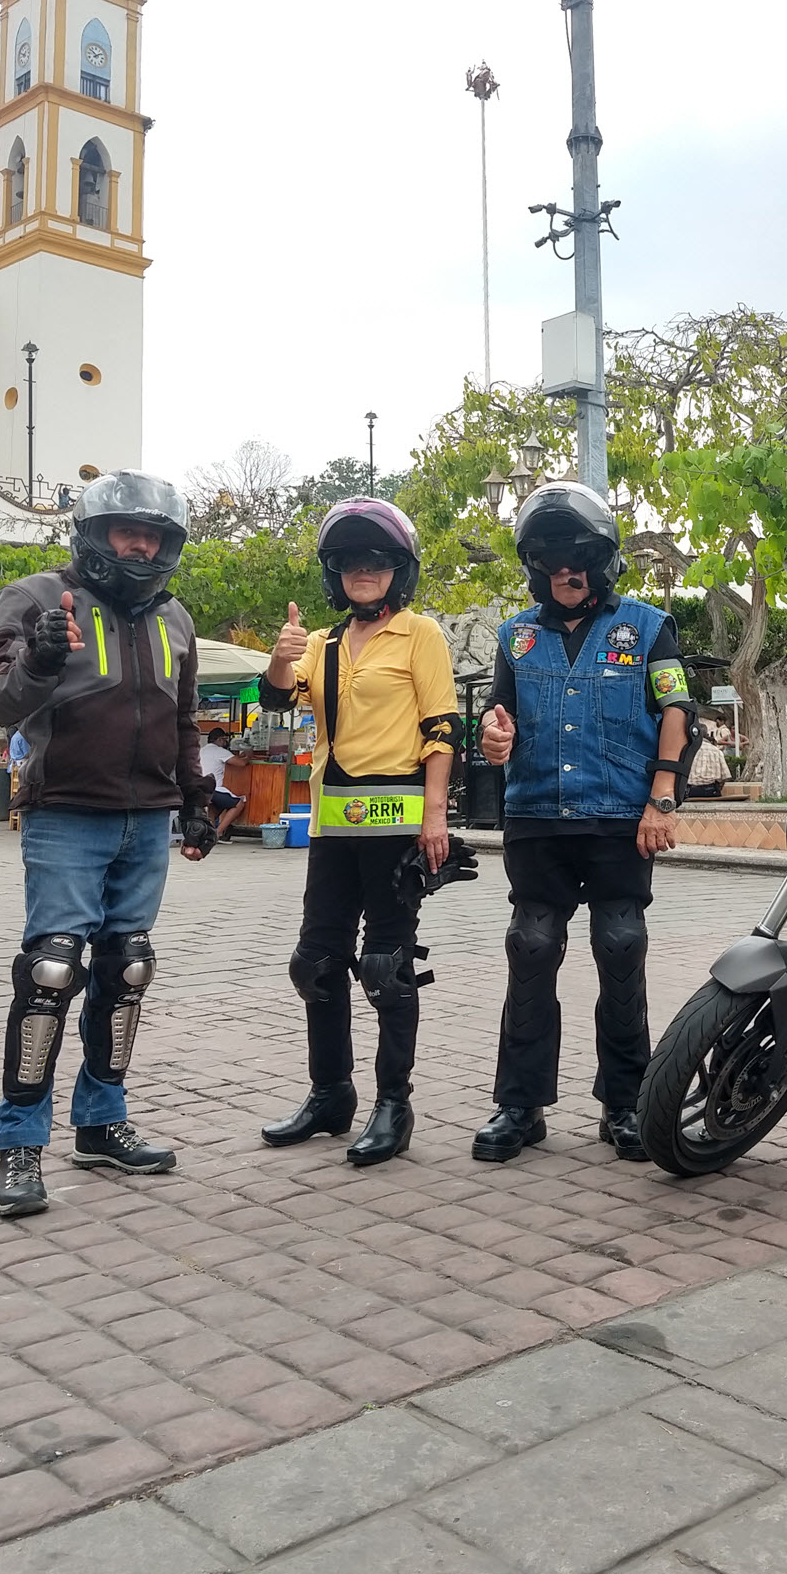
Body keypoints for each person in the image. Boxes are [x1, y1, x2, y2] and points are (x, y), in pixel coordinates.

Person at [0, 471, 215, 1218]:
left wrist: (197, 800)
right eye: (126, 532)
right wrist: (40, 658)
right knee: (50, 971)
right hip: (67, 813)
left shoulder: (173, 617)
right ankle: (20, 1144)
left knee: (128, 970)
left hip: (147, 818)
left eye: (155, 535)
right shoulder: (38, 598)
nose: (141, 546)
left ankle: (101, 1122)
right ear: (95, 534)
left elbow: (183, 721)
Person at [475, 483, 699, 1162]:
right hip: (537, 814)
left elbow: (677, 714)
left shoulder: (647, 625)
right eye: (546, 563)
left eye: (575, 562)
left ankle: (626, 1103)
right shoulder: (516, 635)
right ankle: (519, 1106)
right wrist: (493, 737)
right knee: (532, 946)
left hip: (617, 817)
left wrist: (662, 797)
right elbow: (497, 714)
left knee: (621, 943)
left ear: (601, 561)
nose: (561, 575)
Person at [257, 499, 468, 1166]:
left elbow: (441, 729)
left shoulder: (420, 634)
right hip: (331, 822)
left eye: (377, 561)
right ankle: (330, 1095)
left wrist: (436, 815)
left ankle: (392, 1104)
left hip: (398, 820)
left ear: (398, 570)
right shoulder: (318, 645)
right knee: (316, 963)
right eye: (350, 561)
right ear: (334, 574)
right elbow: (275, 701)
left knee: (386, 966)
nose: (363, 571)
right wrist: (280, 658)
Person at [199, 727, 247, 838]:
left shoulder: (201, 750)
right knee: (238, 804)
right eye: (224, 740)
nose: (226, 743)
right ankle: (218, 832)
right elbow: (240, 763)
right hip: (212, 789)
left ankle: (208, 833)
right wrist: (248, 756)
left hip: (199, 788)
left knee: (215, 806)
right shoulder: (219, 751)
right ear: (219, 740)